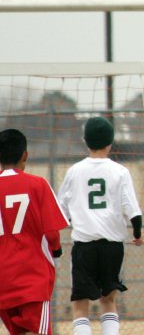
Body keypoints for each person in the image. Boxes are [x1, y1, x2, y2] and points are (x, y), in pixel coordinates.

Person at [57, 117, 143, 335]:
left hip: (84, 245)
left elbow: (61, 210)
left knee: (80, 303)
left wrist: (72, 220)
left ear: (86, 142)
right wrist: (138, 234)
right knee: (108, 300)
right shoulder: (120, 171)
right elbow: (133, 210)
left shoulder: (74, 171)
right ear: (110, 143)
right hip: (112, 246)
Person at [0, 128, 69, 335]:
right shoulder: (37, 185)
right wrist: (56, 250)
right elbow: (52, 233)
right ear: (25, 155)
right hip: (32, 279)